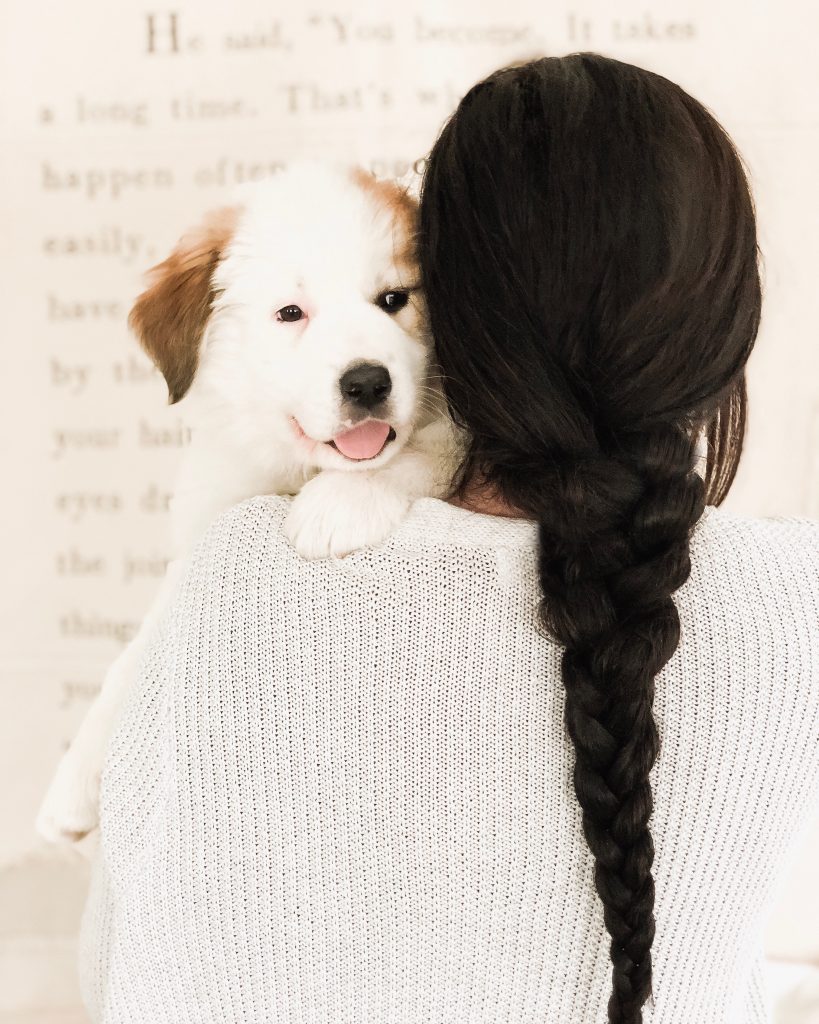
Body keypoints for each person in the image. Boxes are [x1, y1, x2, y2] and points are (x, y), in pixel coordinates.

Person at [79, 54, 819, 1024]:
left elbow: (120, 966)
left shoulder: (242, 568)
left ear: (445, 310)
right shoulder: (790, 599)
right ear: (724, 331)